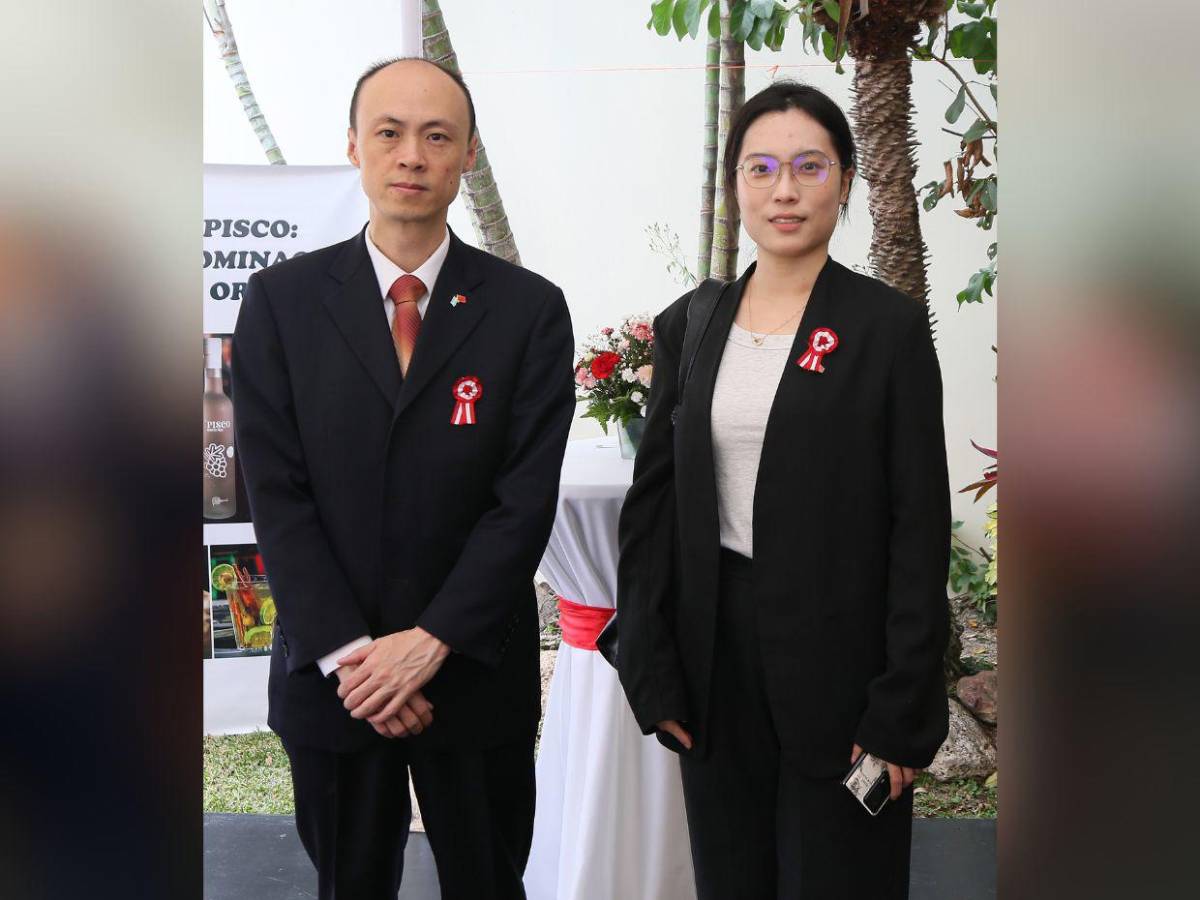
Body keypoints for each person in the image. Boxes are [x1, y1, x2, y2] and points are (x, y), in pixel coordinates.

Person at [232, 57, 575, 900]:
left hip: (470, 667)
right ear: (354, 145)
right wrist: (357, 658)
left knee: (489, 881)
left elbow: (520, 503)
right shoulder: (281, 301)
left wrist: (428, 646)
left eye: (436, 136)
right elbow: (278, 497)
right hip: (334, 678)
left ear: (466, 155)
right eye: (389, 133)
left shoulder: (528, 311)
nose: (411, 155)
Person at [615, 80, 950, 899]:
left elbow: (919, 527)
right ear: (736, 184)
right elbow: (652, 510)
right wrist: (651, 672)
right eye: (762, 168)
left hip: (844, 664)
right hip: (714, 661)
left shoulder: (886, 330)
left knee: (842, 877)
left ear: (845, 180)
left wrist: (902, 705)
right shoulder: (689, 325)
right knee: (732, 875)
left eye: (810, 166)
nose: (785, 190)